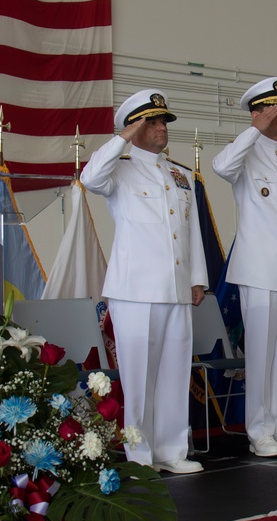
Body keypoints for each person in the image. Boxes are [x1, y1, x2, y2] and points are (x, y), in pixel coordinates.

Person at [80, 89, 207, 474]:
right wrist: (121, 136)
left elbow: (191, 232)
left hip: (176, 288)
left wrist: (197, 277)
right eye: (150, 121)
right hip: (135, 290)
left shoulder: (180, 175)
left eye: (162, 121)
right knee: (138, 379)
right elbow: (88, 177)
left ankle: (172, 451)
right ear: (133, 127)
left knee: (173, 372)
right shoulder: (117, 169)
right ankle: (139, 455)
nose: (160, 128)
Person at [211, 77, 277, 457]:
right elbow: (221, 168)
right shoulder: (241, 153)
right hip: (258, 270)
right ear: (257, 112)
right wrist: (252, 130)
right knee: (260, 353)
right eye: (274, 107)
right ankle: (259, 430)